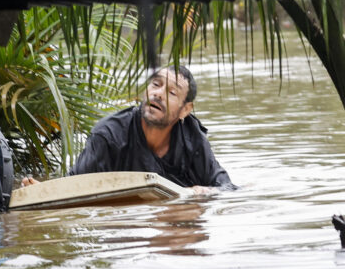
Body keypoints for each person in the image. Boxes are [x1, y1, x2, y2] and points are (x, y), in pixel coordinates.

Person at [22, 65, 234, 194]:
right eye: (155, 84)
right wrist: (41, 191)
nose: (158, 94)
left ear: (185, 110)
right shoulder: (109, 135)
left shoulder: (193, 140)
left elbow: (227, 188)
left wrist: (200, 192)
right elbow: (74, 186)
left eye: (171, 92)